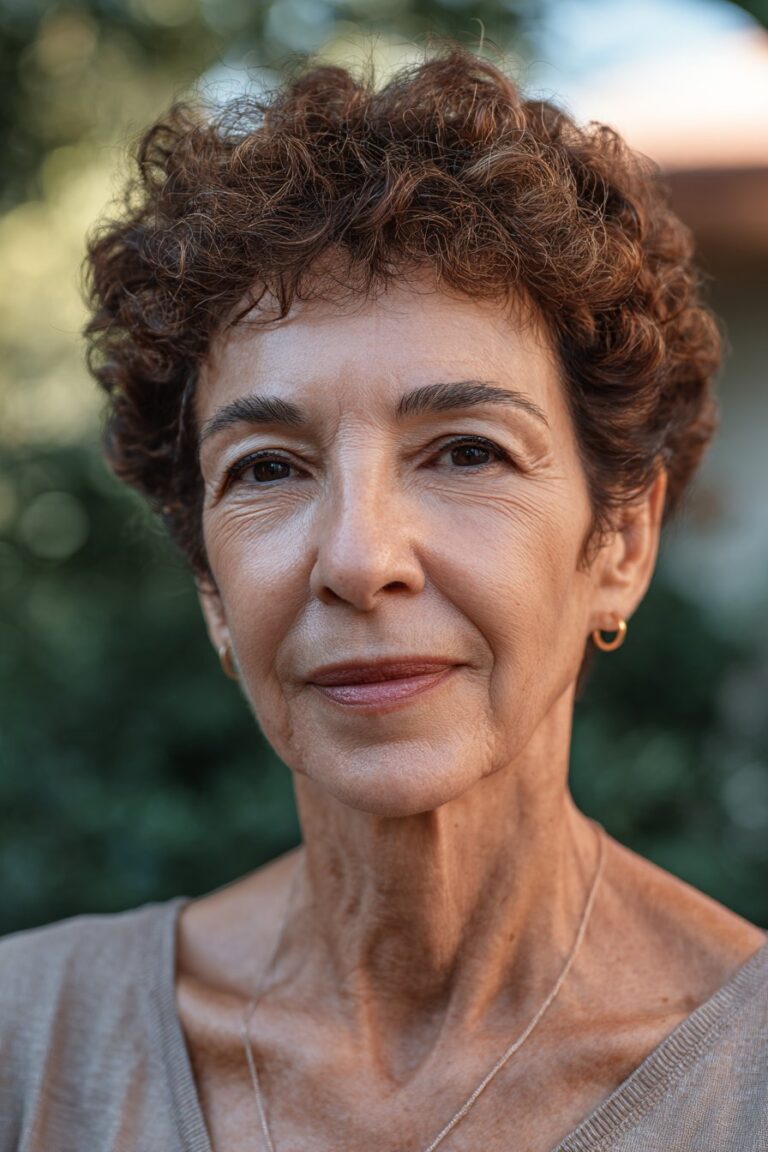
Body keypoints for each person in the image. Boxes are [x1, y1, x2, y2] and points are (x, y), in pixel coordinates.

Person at [1, 47, 766, 1152]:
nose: (360, 560)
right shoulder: (30, 1050)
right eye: (268, 468)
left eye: (466, 451)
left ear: (620, 542)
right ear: (211, 585)